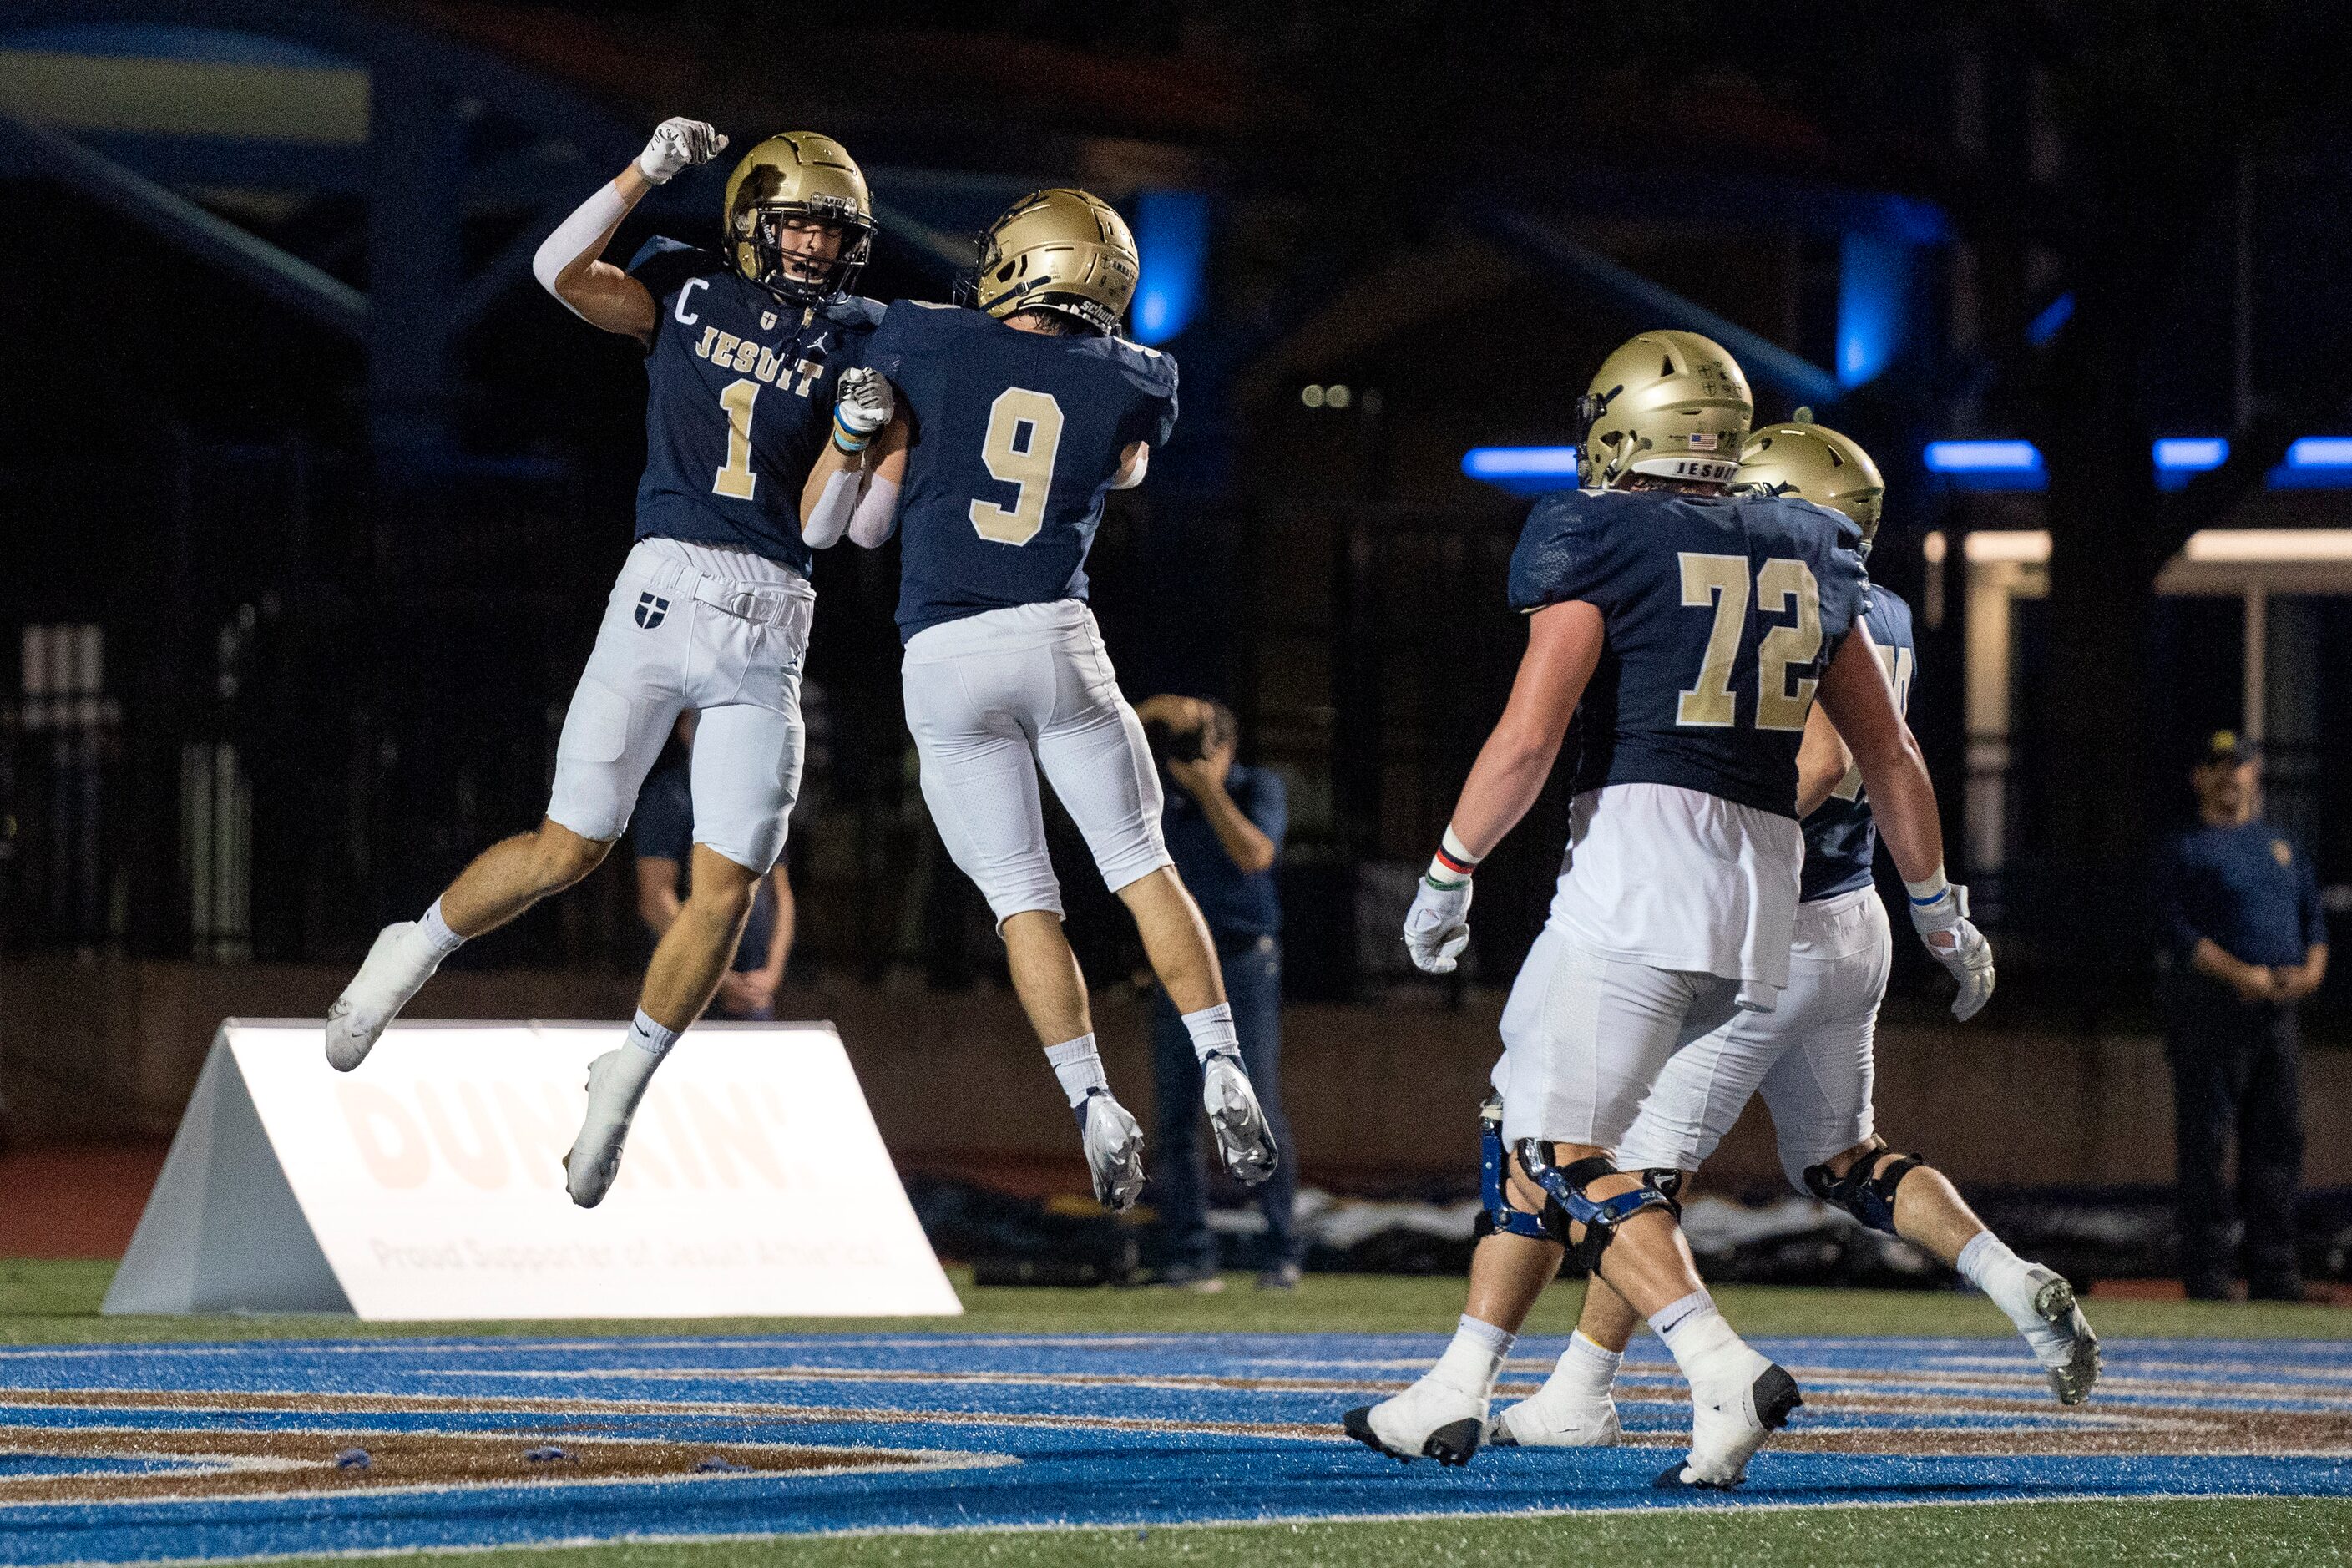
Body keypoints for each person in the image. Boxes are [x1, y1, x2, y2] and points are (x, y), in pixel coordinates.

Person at [1343, 331, 1991, 1490]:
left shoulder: (1593, 531)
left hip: (1644, 856)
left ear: (1631, 420)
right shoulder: (1810, 541)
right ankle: (1457, 1386)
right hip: (1760, 887)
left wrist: (1448, 868)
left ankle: (1716, 1365)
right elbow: (1889, 758)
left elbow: (1530, 735)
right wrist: (1941, 912)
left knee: (1552, 1141)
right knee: (1545, 1116)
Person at [322, 120, 898, 1209]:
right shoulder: (684, 287)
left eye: (832, 229)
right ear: (750, 224)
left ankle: (625, 1070)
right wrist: (646, 170)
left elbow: (828, 527)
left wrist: (861, 438)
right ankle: (409, 950)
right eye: (799, 224)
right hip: (663, 583)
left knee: (726, 889)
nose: (818, 247)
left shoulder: (865, 340)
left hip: (775, 613)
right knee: (567, 846)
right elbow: (556, 271)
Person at [1490, 419, 2094, 1454]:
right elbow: (1891, 760)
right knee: (1844, 1159)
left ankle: (1584, 1390)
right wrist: (1940, 913)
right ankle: (2010, 1275)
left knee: (1630, 1163)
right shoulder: (1882, 605)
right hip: (1857, 922)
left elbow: (1811, 766)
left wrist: (1703, 841)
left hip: (1778, 918)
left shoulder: (1796, 590)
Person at [798, 189, 1279, 1213]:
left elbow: (866, 520)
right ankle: (1224, 1063)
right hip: (1058, 637)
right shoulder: (1140, 378)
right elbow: (1129, 463)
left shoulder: (923, 337)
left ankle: (1092, 1100)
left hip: (944, 653)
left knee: (1025, 900)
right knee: (1145, 869)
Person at [2152, 731, 2329, 1301]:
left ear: (2254, 774)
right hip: (2209, 1014)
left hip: (2275, 1017)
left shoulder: (2281, 845)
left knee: (2277, 1141)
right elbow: (2177, 933)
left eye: (2240, 766)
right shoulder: (2186, 848)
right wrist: (2240, 975)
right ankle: (2206, 1275)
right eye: (2218, 767)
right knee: (2206, 1142)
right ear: (2198, 778)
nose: (2230, 777)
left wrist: (2306, 974)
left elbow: (2313, 924)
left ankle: (2274, 1273)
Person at [1134, 695, 1300, 1292]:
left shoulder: (1258, 788)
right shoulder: (1161, 796)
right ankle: (1191, 1256)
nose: (1190, 758)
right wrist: (1165, 712)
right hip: (1176, 965)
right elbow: (1118, 728)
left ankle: (1280, 1251)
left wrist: (1209, 790)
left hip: (1242, 961)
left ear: (1227, 748)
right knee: (1175, 1116)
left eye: (1203, 745)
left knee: (1251, 1104)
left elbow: (1255, 855)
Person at [635, 714, 794, 1020]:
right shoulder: (669, 796)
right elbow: (655, 899)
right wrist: (718, 980)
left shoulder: (761, 798)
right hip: (684, 996)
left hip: (753, 996)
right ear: (685, 729)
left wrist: (772, 974)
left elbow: (781, 895)